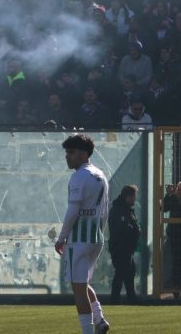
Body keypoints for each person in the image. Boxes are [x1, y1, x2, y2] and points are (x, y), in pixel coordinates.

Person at [55, 134, 111, 334]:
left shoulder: (79, 176)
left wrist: (61, 238)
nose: (67, 157)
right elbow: (104, 210)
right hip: (96, 237)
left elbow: (73, 211)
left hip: (79, 238)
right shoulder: (100, 175)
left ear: (83, 153)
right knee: (83, 283)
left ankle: (88, 331)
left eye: (71, 152)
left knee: (77, 288)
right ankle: (100, 320)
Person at [107, 184, 140, 303]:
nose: (135, 199)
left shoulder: (125, 209)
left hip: (126, 248)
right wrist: (133, 230)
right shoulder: (119, 210)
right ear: (128, 197)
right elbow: (122, 228)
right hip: (120, 247)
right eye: (133, 197)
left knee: (129, 272)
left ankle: (131, 298)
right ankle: (115, 299)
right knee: (121, 272)